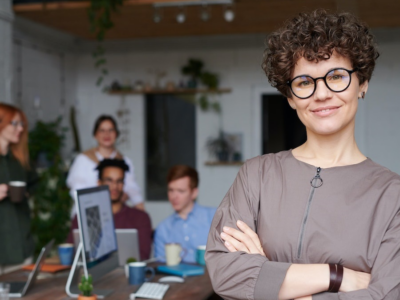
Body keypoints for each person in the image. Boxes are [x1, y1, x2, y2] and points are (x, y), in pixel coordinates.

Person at [205, 9, 400, 300]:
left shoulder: (392, 195)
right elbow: (225, 273)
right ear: (291, 98)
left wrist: (267, 277)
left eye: (336, 76)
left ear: (363, 83)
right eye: (305, 82)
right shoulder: (256, 176)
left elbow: (386, 296)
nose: (321, 94)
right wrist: (337, 277)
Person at [67, 159, 152, 260]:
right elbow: (70, 254)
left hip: (126, 274)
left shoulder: (140, 217)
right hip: (91, 274)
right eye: (109, 180)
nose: (114, 186)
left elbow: (143, 257)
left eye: (119, 181)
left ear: (123, 184)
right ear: (99, 183)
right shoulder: (82, 217)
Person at [67, 115, 144, 217]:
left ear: (116, 134)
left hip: (115, 215)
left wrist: (142, 213)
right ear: (95, 135)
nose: (106, 134)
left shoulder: (124, 161)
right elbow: (76, 190)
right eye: (102, 130)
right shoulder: (83, 159)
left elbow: (133, 190)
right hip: (86, 213)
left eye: (110, 130)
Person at [0, 103, 37, 275]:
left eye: (21, 124)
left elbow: (34, 183)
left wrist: (25, 192)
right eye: (14, 123)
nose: (20, 128)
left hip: (21, 245)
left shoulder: (19, 159)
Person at [154, 165, 216, 263]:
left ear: (194, 193)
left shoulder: (214, 217)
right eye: (171, 190)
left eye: (181, 191)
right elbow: (160, 266)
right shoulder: (163, 228)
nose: (174, 196)